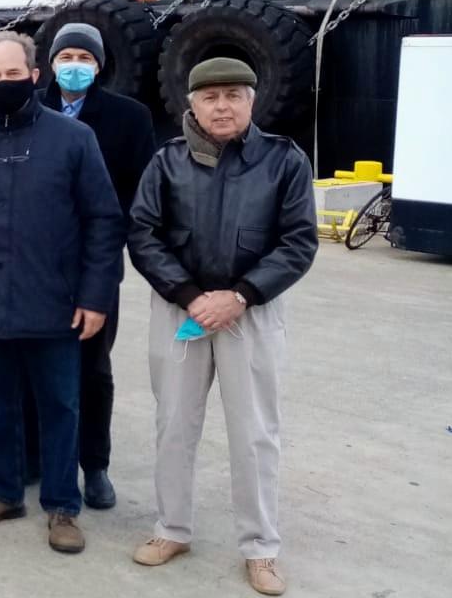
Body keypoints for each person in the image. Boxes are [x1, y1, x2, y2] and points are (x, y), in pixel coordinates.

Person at [127, 58, 317, 597]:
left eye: (234, 95)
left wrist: (241, 295)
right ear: (192, 104)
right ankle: (172, 529)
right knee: (174, 423)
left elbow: (298, 241)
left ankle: (261, 548)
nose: (223, 106)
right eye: (210, 97)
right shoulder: (167, 161)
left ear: (252, 101)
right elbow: (143, 234)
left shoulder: (283, 160)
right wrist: (190, 296)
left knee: (255, 432)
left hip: (250, 310)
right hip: (180, 308)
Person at [0, 31, 124, 555]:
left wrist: (95, 298)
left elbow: (103, 220)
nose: (3, 83)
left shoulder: (73, 138)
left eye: (12, 74)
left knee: (60, 405)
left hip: (55, 303)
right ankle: (3, 491)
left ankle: (63, 506)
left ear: (34, 75)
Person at [21, 22, 156, 509]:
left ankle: (94, 464)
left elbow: (141, 193)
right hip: (36, 263)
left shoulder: (129, 117)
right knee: (32, 364)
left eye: (84, 58)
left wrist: (108, 242)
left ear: (98, 66)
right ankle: (33, 453)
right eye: (66, 57)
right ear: (50, 64)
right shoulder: (28, 110)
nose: (74, 66)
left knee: (92, 369)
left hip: (94, 262)